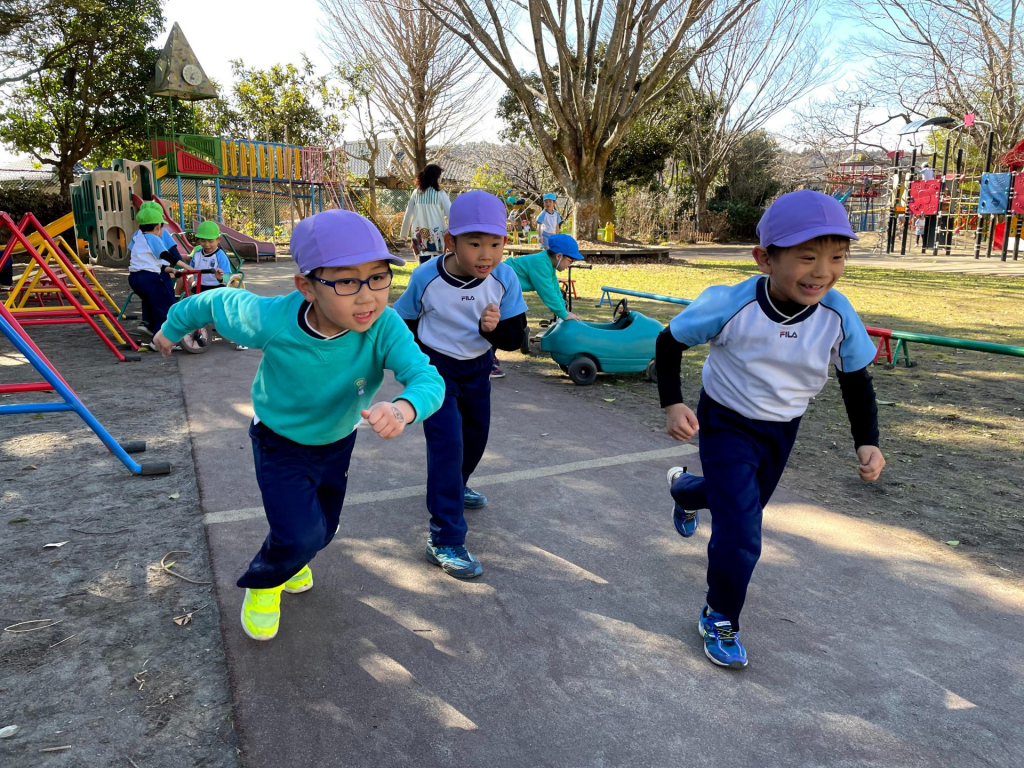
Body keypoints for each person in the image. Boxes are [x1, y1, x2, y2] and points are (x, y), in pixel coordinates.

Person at [151, 209, 445, 642]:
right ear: (307, 287)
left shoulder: (384, 326)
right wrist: (170, 328)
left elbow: (427, 378)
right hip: (279, 439)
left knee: (322, 530)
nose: (367, 297)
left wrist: (404, 408)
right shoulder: (272, 319)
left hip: (337, 440)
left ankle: (294, 556)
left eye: (379, 278)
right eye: (347, 282)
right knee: (300, 533)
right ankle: (265, 582)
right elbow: (213, 302)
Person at [655, 189, 886, 670]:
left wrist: (867, 441)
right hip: (725, 420)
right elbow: (669, 340)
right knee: (742, 532)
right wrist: (673, 404)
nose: (822, 271)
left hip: (782, 428)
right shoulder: (730, 304)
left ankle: (684, 491)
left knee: (740, 504)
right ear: (765, 258)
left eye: (837, 257)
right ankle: (720, 616)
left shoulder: (837, 313)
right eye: (807, 257)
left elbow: (855, 378)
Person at [394, 190, 528, 579]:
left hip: (477, 370)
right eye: (475, 244)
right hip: (435, 372)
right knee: (448, 446)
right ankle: (445, 538)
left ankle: (456, 486)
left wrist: (493, 330)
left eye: (495, 244)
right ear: (451, 242)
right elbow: (404, 323)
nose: (486, 255)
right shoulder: (426, 277)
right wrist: (412, 369)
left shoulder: (504, 277)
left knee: (475, 440)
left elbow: (515, 337)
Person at [496, 234, 583, 376]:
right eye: (570, 260)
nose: (570, 264)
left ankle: (516, 337)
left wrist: (564, 311)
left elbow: (554, 287)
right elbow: (547, 292)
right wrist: (563, 314)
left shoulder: (548, 264)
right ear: (559, 256)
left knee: (515, 322)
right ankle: (488, 359)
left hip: (506, 289)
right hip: (497, 284)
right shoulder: (541, 264)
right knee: (498, 323)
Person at [127, 201, 190, 339]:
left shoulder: (138, 236)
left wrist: (170, 270)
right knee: (165, 305)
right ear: (157, 226)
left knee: (152, 301)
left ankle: (148, 323)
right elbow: (168, 254)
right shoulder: (155, 236)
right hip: (152, 277)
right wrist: (186, 266)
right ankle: (161, 340)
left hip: (135, 277)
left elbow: (147, 261)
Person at [400, 164, 451, 264]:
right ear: (436, 177)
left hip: (419, 233)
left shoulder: (416, 193)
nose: (440, 179)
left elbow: (408, 214)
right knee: (439, 262)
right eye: (439, 176)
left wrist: (404, 234)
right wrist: (454, 231)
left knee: (423, 262)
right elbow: (451, 212)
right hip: (437, 233)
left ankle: (423, 275)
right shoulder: (440, 193)